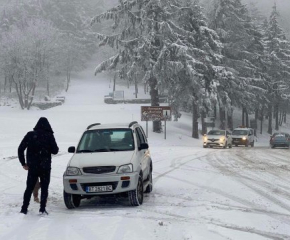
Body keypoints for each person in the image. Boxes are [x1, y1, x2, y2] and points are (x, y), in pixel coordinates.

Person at [18, 117, 59, 215]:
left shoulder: (30, 135)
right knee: (45, 188)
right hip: (45, 167)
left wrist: (23, 163)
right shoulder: (49, 136)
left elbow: (20, 149)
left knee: (29, 188)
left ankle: (24, 208)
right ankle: (42, 209)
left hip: (33, 167)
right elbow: (55, 151)